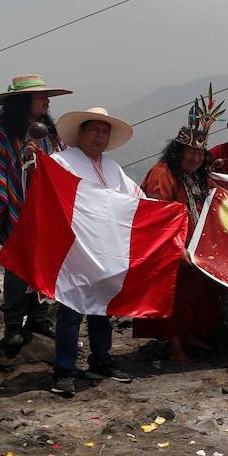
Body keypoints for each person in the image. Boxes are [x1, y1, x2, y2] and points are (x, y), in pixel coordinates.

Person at [0, 74, 71, 354]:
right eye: (41, 97)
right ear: (24, 101)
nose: (47, 102)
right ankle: (13, 324)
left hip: (43, 209)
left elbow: (62, 161)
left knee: (42, 263)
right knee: (17, 266)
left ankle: (37, 319)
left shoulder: (46, 129)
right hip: (15, 208)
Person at [48, 108, 142, 396]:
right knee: (71, 311)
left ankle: (100, 360)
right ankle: (63, 371)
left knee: (103, 309)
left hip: (105, 253)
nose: (100, 136)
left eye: (104, 131)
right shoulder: (61, 162)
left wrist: (165, 215)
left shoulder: (113, 169)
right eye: (94, 130)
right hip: (75, 254)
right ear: (81, 133)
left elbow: (136, 198)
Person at [133, 101, 223, 362]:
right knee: (172, 296)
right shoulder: (162, 174)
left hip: (194, 248)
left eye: (199, 153)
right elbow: (156, 215)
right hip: (169, 248)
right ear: (178, 152)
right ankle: (174, 345)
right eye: (190, 152)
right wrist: (176, 247)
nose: (195, 158)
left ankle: (189, 334)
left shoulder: (197, 175)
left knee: (196, 293)